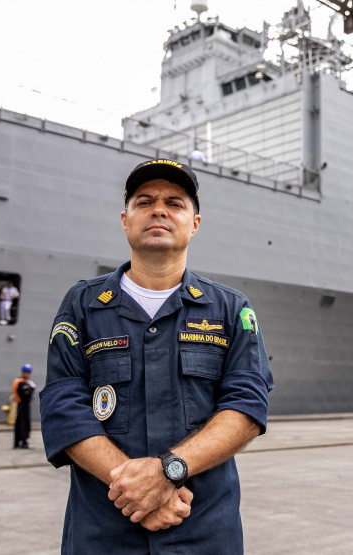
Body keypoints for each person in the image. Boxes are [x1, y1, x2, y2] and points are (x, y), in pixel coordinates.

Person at [40, 158, 274, 553]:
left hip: (202, 534)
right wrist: (139, 491)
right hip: (105, 537)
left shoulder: (231, 309)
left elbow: (248, 406)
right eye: (144, 201)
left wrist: (168, 472)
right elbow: (64, 407)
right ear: (125, 219)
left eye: (176, 203)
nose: (159, 210)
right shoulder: (82, 304)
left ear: (194, 223)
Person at [12, 364, 36, 449]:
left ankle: (17, 442)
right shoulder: (22, 382)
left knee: (19, 423)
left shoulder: (18, 381)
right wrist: (32, 388)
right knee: (24, 423)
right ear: (23, 373)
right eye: (26, 373)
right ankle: (24, 442)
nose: (28, 375)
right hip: (24, 405)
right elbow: (27, 394)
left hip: (20, 405)